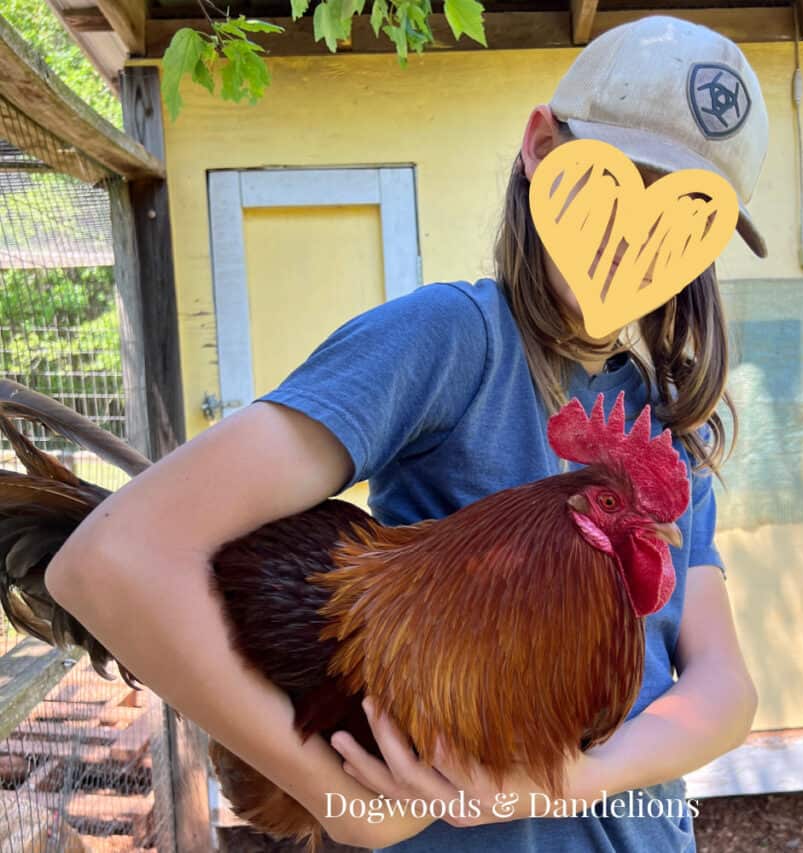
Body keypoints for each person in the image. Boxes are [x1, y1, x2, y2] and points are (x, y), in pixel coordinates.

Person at [44, 14, 766, 852]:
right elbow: (112, 556)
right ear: (542, 148)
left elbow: (724, 687)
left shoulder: (665, 419)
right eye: (618, 182)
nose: (636, 234)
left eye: (685, 214)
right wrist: (349, 804)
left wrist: (566, 778)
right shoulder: (452, 340)